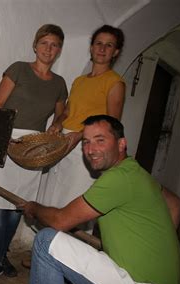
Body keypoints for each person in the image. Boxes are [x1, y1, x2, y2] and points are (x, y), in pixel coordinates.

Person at [23, 115, 180, 284]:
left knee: (46, 241)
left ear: (121, 143)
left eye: (100, 140)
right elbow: (175, 203)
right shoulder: (136, 172)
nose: (90, 150)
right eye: (86, 142)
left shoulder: (118, 178)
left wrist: (34, 207)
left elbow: (60, 220)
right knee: (68, 270)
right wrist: (157, 248)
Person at [0, 24, 68, 282]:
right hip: (5, 137)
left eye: (55, 45)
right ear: (35, 45)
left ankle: (1, 257)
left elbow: (63, 111)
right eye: (44, 43)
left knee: (18, 204)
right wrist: (3, 138)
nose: (49, 49)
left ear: (59, 50)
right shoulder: (18, 68)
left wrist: (58, 122)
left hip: (33, 148)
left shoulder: (59, 83)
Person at [37, 25, 126, 230]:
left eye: (109, 45)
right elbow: (68, 111)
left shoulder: (114, 83)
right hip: (63, 144)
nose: (102, 49)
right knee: (52, 197)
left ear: (116, 52)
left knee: (71, 203)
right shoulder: (79, 81)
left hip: (86, 147)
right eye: (98, 44)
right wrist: (58, 123)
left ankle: (65, 257)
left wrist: (81, 136)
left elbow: (111, 124)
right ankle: (43, 250)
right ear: (91, 47)